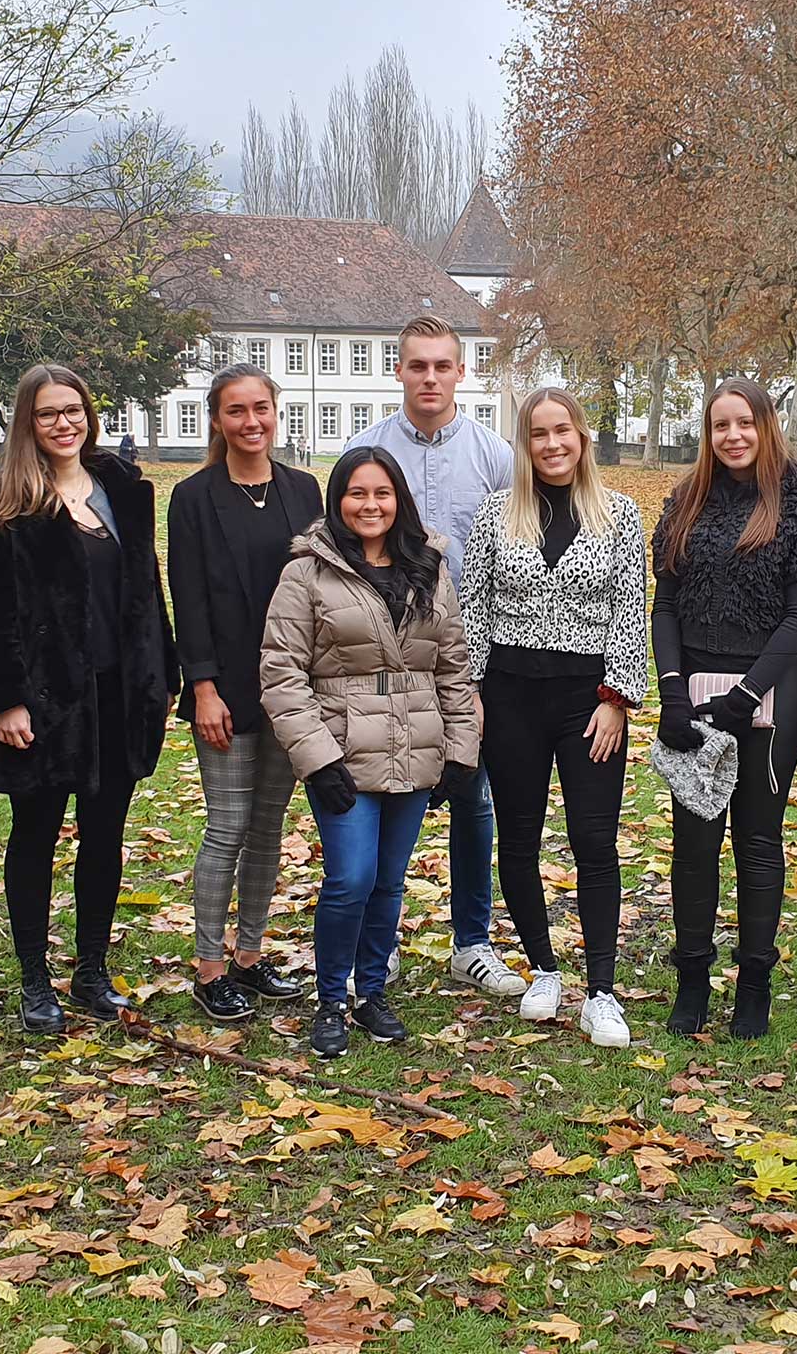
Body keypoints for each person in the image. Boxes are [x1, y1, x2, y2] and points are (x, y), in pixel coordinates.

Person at [0, 363, 179, 1034]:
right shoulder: (2, 499)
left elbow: (145, 587)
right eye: (49, 413)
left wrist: (162, 673)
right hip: (45, 697)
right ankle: (34, 979)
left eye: (74, 411)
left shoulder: (118, 485)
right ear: (28, 422)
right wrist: (8, 700)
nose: (64, 423)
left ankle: (90, 969)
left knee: (104, 833)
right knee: (35, 832)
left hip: (117, 692)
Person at [260, 447, 481, 1059]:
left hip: (415, 747)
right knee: (350, 879)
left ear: (399, 500)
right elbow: (282, 673)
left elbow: (453, 667)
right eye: (357, 494)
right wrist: (318, 758)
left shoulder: (427, 567)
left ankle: (371, 991)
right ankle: (331, 996)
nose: (370, 505)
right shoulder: (307, 572)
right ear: (338, 502)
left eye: (381, 493)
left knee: (388, 883)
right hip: (343, 747)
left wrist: (461, 751)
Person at [653, 376, 797, 1039]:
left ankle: (754, 981)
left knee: (757, 840)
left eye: (744, 423)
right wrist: (673, 690)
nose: (732, 436)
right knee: (694, 842)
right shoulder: (688, 501)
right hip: (694, 690)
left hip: (770, 691)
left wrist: (744, 695)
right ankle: (693, 979)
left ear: (767, 425)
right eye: (719, 425)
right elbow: (667, 603)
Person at [460, 388, 648, 1048]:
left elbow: (631, 611)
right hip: (511, 696)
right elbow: (473, 609)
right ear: (524, 444)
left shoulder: (619, 516)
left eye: (561, 431)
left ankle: (601, 989)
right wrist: (475, 691)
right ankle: (543, 968)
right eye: (537, 434)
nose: (551, 445)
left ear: (582, 436)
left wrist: (617, 699)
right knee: (518, 836)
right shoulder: (495, 516)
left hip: (587, 700)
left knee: (594, 840)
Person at [343, 314, 521, 998]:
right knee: (386, 801)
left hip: (469, 665)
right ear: (399, 371)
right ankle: (376, 947)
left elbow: (515, 558)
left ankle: (471, 942)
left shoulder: (494, 457)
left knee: (474, 803)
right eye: (417, 365)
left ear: (460, 372)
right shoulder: (366, 450)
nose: (430, 377)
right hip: (385, 665)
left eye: (442, 365)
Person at [167, 364, 323, 1023]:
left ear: (276, 411)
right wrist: (202, 688)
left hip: (290, 688)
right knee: (228, 825)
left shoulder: (303, 491)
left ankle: (250, 958)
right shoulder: (194, 497)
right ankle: (208, 968)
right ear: (217, 419)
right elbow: (190, 597)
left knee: (267, 827)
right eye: (237, 411)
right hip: (226, 689)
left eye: (261, 408)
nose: (252, 421)